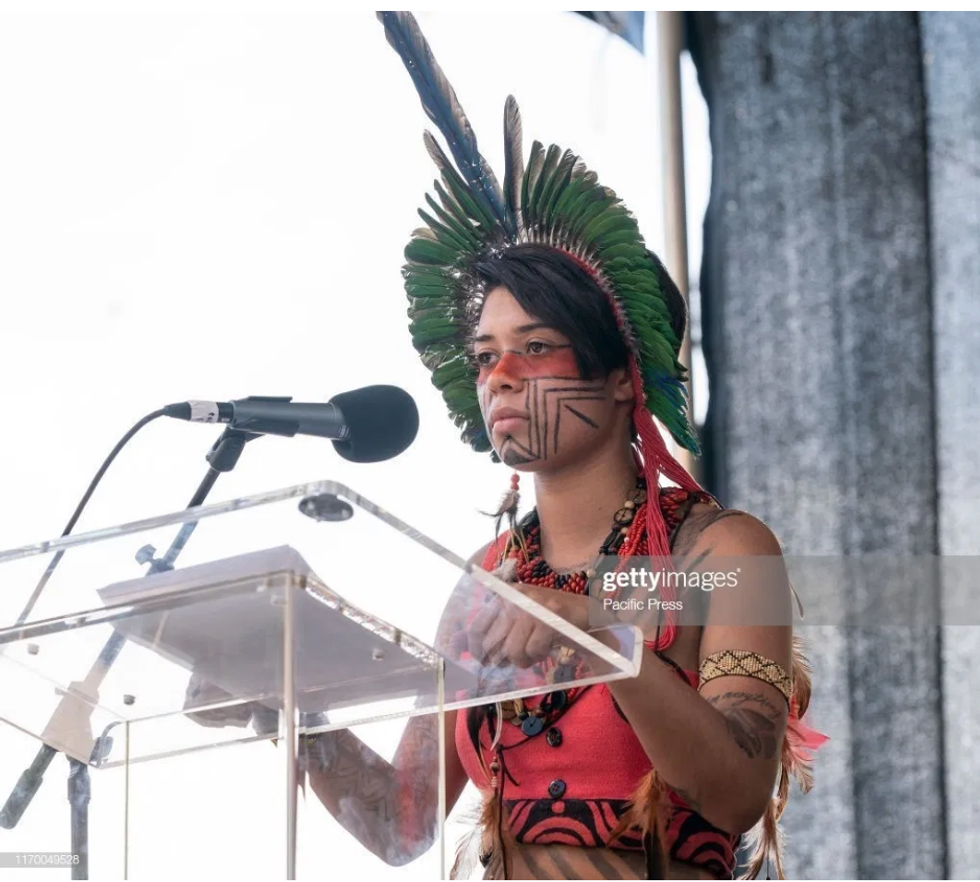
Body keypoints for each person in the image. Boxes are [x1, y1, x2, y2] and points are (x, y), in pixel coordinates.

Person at [190, 12, 828, 879]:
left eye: (535, 347)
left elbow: (736, 790)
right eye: (486, 356)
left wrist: (599, 633)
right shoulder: (487, 577)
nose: (499, 377)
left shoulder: (720, 555)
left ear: (621, 378)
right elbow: (403, 820)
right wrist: (290, 706)